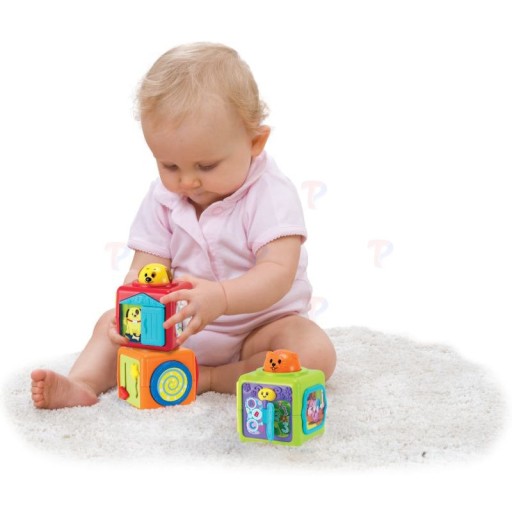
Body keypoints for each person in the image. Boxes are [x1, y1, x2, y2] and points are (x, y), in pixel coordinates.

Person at [31, 42, 336, 409]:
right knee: (107, 324)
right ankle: (82, 383)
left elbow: (278, 271)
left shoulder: (269, 193)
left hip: (260, 327)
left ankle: (210, 378)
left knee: (313, 352)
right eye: (170, 166)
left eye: (206, 166)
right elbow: (144, 267)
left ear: (255, 142)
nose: (187, 181)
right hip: (180, 326)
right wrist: (132, 307)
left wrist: (221, 298)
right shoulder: (164, 198)